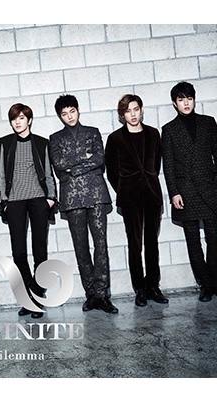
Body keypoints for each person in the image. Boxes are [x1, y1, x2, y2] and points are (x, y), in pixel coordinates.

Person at [49, 94, 118, 314]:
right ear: (60, 116)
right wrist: (84, 158)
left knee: (101, 245)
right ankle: (91, 295)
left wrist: (74, 168)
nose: (69, 116)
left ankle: (102, 294)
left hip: (96, 194)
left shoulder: (93, 132)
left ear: (78, 110)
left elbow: (99, 159)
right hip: (72, 198)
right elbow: (58, 165)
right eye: (64, 113)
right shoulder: (55, 138)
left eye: (72, 111)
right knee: (81, 247)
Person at [105, 94, 168, 307]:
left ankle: (153, 286)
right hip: (130, 198)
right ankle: (139, 289)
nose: (132, 114)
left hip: (152, 195)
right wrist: (126, 188)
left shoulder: (153, 134)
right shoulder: (115, 139)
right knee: (134, 244)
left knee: (152, 242)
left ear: (141, 110)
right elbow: (112, 172)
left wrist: (147, 181)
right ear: (122, 115)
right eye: (127, 111)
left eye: (135, 109)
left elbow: (155, 165)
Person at [0, 103, 57, 319]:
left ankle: (37, 296)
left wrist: (50, 198)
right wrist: (4, 201)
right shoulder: (5, 142)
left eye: (22, 118)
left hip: (38, 199)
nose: (18, 122)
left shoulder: (41, 142)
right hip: (14, 201)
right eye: (14, 119)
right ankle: (30, 295)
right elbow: (1, 174)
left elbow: (48, 172)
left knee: (40, 249)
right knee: (19, 252)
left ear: (29, 120)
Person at [162, 81, 217, 302]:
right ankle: (206, 285)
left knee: (214, 238)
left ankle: (214, 280)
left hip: (209, 189)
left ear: (194, 100)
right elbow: (168, 166)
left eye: (189, 98)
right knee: (193, 242)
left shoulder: (208, 123)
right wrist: (174, 192)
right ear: (174, 103)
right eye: (181, 99)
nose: (186, 103)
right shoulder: (169, 130)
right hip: (185, 192)